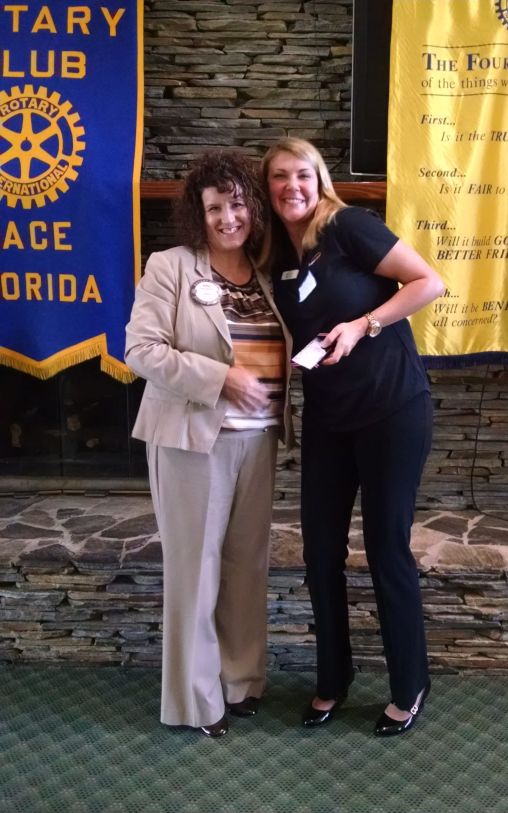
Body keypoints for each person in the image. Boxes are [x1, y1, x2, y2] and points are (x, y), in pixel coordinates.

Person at [260, 137, 445, 737]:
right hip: (328, 417)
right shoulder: (277, 254)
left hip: (392, 408)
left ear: (320, 180)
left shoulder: (349, 227)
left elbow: (428, 282)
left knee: (387, 547)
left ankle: (409, 685)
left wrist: (364, 324)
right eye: (279, 176)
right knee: (319, 552)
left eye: (303, 174)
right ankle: (333, 679)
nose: (292, 186)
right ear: (268, 188)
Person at [125, 150, 293, 739]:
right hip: (191, 441)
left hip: (259, 440)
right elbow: (141, 351)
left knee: (247, 566)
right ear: (199, 214)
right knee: (196, 570)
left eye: (238, 204)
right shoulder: (171, 267)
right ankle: (196, 701)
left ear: (254, 209)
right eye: (215, 208)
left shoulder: (268, 272)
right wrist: (221, 378)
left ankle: (241, 681)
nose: (228, 218)